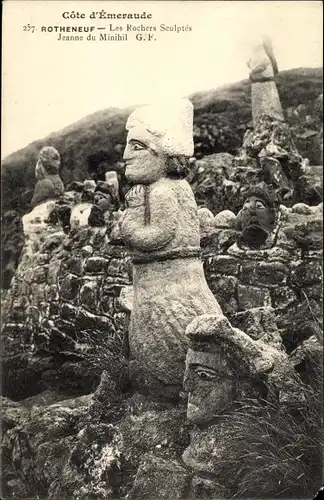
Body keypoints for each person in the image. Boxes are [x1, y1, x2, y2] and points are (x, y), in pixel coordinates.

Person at [119, 98, 223, 399]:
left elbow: (157, 237)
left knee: (168, 347)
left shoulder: (164, 191)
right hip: (161, 285)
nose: (126, 155)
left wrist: (128, 225)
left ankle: (177, 389)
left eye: (136, 146)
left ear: (163, 154)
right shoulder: (166, 189)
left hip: (168, 289)